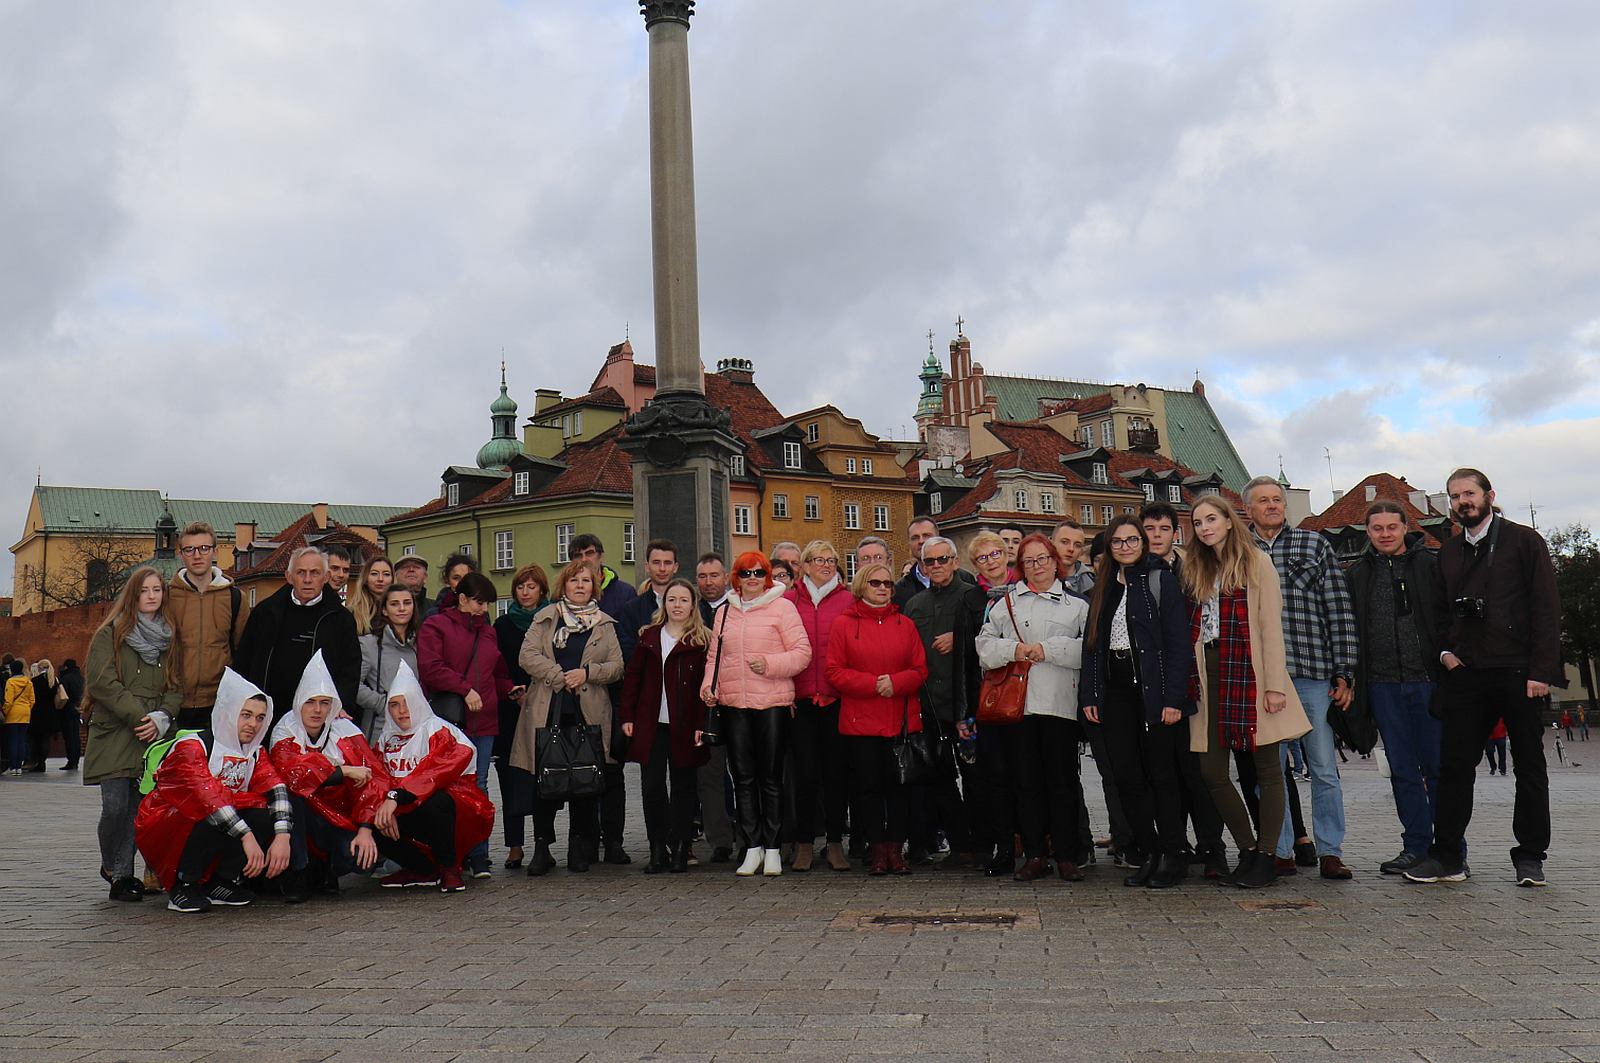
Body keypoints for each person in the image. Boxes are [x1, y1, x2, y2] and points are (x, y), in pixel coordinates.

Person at [1405, 469, 1561, 887]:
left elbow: (1546, 608)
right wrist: (1444, 653)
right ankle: (1448, 856)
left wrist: (1541, 671)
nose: (1463, 502)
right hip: (1467, 672)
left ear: (1489, 495)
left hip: (1518, 670)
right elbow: (1436, 613)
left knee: (1530, 766)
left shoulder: (1525, 541)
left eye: (1469, 493)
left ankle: (1530, 857)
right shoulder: (1449, 552)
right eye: (1455, 496)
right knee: (1454, 766)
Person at [1183, 495, 1311, 890]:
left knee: (1269, 770)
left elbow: (1272, 628)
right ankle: (1249, 848)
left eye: (1210, 519)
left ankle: (1268, 855)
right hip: (1209, 673)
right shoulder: (1195, 567)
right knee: (1212, 772)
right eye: (1198, 522)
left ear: (1227, 520)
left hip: (1251, 675)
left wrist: (1275, 685)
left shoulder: (1257, 562)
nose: (1204, 528)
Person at [1244, 475, 1358, 881]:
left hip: (1311, 672)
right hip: (1263, 677)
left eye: (1277, 499)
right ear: (1249, 510)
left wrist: (1344, 671)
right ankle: (1279, 849)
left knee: (1324, 767)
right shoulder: (1239, 551)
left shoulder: (1314, 544)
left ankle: (1330, 851)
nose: (1273, 506)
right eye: (1264, 501)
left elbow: (1339, 609)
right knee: (1270, 771)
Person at [1079, 517, 1196, 889]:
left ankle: (1173, 855)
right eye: (1118, 541)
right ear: (1109, 547)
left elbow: (1179, 644)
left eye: (1133, 540)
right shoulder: (1104, 587)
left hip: (1154, 690)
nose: (1126, 547)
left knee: (1161, 777)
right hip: (1115, 692)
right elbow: (1092, 647)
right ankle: (1150, 851)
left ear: (1144, 544)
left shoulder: (1160, 580)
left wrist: (1174, 697)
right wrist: (1090, 694)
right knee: (1126, 776)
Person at [1346, 501, 1452, 876]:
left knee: (1439, 768)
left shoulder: (1431, 566)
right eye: (1378, 528)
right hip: (1383, 684)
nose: (1386, 534)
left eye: (1393, 526)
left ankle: (1450, 849)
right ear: (1368, 533)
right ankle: (1415, 846)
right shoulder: (1358, 574)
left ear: (1406, 527)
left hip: (1428, 681)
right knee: (1403, 770)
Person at [976, 535, 1090, 882]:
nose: (1038, 566)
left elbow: (1088, 651)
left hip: (1059, 706)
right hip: (1019, 709)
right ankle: (1036, 854)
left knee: (1063, 782)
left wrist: (1048, 649)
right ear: (1020, 567)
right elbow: (983, 647)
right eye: (1030, 561)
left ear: (1056, 562)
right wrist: (1015, 651)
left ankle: (1067, 855)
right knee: (1026, 784)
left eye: (1043, 559)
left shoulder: (1077, 607)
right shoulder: (1006, 604)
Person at [134, 669, 293, 913]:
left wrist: (283, 836)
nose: (253, 724)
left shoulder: (253, 752)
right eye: (246, 715)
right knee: (205, 814)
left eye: (260, 718)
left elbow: (276, 787)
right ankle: (184, 884)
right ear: (228, 713)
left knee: (261, 813)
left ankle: (222, 882)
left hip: (214, 817)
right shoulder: (192, 746)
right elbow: (205, 797)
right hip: (168, 823)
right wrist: (247, 836)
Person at [700, 551, 811, 878]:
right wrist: (708, 686)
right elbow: (714, 656)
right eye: (746, 573)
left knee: (771, 778)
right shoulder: (724, 612)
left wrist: (771, 665)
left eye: (758, 573)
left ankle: (774, 847)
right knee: (743, 778)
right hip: (735, 704)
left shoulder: (783, 607)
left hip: (773, 703)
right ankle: (752, 847)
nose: (752, 579)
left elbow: (802, 652)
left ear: (767, 577)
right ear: (736, 577)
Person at [510, 560, 625, 874]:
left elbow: (617, 666)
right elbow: (527, 656)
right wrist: (561, 676)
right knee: (545, 781)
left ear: (593, 586)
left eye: (586, 581)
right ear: (564, 585)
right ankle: (542, 847)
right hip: (548, 708)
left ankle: (579, 846)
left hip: (588, 712)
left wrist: (587, 673)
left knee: (585, 781)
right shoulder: (546, 618)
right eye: (574, 580)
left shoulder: (604, 623)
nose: (579, 585)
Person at [83, 566, 182, 901]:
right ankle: (110, 863)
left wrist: (163, 716)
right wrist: (140, 716)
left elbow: (175, 685)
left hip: (152, 735)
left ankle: (122, 878)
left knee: (137, 810)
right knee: (113, 806)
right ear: (133, 594)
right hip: (116, 732)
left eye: (157, 590)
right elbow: (101, 682)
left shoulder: (169, 637)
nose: (152, 596)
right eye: (145, 590)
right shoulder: (110, 633)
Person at [825, 562, 929, 876]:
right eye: (875, 583)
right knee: (868, 789)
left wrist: (896, 683)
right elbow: (833, 671)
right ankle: (877, 851)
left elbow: (920, 670)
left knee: (898, 788)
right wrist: (872, 684)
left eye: (887, 583)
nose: (882, 588)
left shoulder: (904, 624)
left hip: (898, 718)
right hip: (861, 720)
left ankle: (896, 851)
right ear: (861, 587)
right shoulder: (844, 624)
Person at [1142, 502, 1228, 878]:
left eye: (1163, 528)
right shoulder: (1135, 574)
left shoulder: (1190, 569)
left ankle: (1213, 847)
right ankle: (1175, 846)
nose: (1156, 536)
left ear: (1174, 533)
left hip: (1191, 684)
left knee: (1196, 772)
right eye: (1150, 529)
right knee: (1164, 774)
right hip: (1151, 690)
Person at [417, 572, 517, 879]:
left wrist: (509, 689)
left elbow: (495, 672)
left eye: (487, 603)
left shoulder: (488, 632)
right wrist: (465, 689)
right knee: (446, 788)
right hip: (449, 720)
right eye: (479, 601)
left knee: (480, 786)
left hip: (483, 721)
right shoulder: (436, 626)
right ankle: (448, 856)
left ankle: (480, 856)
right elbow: (431, 668)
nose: (484, 609)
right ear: (462, 599)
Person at [268, 651, 389, 898]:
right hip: (301, 817)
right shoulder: (284, 729)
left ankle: (327, 869)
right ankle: (297, 872)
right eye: (310, 702)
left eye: (325, 703)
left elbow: (374, 777)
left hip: (338, 817)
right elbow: (292, 775)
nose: (317, 710)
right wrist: (342, 771)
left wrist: (365, 828)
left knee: (363, 860)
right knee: (293, 795)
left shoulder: (344, 729)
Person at [372, 662, 496, 892]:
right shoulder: (386, 738)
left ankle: (449, 868)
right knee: (371, 816)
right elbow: (377, 777)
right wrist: (383, 803)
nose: (402, 711)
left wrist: (394, 797)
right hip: (404, 807)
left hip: (453, 812)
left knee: (436, 802)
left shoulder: (441, 731)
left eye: (407, 703)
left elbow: (437, 772)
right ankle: (422, 869)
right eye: (394, 705)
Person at [903, 535, 986, 869]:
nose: (936, 566)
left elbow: (989, 639)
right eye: (929, 561)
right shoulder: (915, 605)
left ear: (955, 561)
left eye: (942, 559)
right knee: (941, 781)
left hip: (966, 704)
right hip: (929, 705)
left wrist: (961, 637)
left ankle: (983, 845)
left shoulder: (972, 597)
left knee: (976, 779)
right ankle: (960, 845)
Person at [618, 579, 710, 873]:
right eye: (672, 600)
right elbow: (633, 679)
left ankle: (681, 846)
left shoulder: (702, 640)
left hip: (685, 726)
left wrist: (701, 724)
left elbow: (705, 688)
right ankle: (657, 847)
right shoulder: (649, 636)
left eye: (684, 600)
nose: (677, 605)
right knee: (652, 787)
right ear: (663, 604)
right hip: (651, 723)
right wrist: (627, 716)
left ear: (693, 605)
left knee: (684, 788)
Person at [784, 540, 854, 872]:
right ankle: (804, 843)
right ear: (805, 565)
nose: (826, 565)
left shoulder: (848, 600)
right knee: (804, 775)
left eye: (832, 560)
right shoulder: (788, 600)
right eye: (819, 559)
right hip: (800, 701)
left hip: (837, 698)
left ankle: (836, 842)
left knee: (836, 774)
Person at [234, 546, 360, 724]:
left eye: (315, 573)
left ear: (325, 577)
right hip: (268, 712)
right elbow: (244, 660)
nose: (307, 579)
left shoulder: (341, 618)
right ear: (289, 577)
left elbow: (350, 669)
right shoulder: (265, 613)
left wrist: (343, 704)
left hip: (319, 715)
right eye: (301, 572)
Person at [572, 532, 636, 864]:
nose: (585, 558)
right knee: (581, 769)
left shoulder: (622, 593)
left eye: (590, 553)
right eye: (579, 554)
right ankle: (586, 839)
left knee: (612, 771)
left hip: (611, 693)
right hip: (576, 697)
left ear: (601, 555)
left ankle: (613, 840)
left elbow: (627, 645)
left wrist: (597, 668)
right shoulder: (564, 599)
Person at [168, 521, 252, 732]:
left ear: (215, 552)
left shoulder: (234, 598)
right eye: (190, 549)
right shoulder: (167, 597)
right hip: (174, 702)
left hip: (219, 702)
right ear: (181, 554)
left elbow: (244, 650)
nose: (197, 555)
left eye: (204, 548)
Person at [493, 563, 548, 870]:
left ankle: (543, 843)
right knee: (510, 778)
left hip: (542, 706)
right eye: (521, 587)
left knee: (542, 780)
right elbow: (496, 665)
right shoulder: (502, 624)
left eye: (531, 586)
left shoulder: (550, 620)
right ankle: (514, 845)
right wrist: (509, 689)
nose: (525, 592)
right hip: (510, 708)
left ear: (542, 590)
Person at [692, 552, 735, 863]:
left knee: (745, 773)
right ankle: (719, 839)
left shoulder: (739, 608)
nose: (709, 582)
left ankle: (749, 835)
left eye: (714, 576)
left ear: (727, 577)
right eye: (703, 577)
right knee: (709, 774)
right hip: (705, 704)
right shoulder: (689, 611)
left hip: (740, 700)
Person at [357, 586, 423, 742]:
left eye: (407, 603)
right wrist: (383, 704)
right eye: (394, 604)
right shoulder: (369, 644)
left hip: (416, 729)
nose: (402, 608)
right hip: (380, 730)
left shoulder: (422, 643)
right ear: (385, 610)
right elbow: (353, 685)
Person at [893, 518, 941, 608]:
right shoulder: (899, 590)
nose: (921, 541)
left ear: (938, 539)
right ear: (909, 543)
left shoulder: (962, 578)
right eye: (915, 538)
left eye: (926, 535)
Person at [25, 659, 60, 771]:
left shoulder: (34, 681)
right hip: (50, 713)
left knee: (35, 739)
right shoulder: (53, 681)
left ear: (39, 668)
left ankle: (35, 762)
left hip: (37, 713)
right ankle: (42, 763)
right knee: (45, 739)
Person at [347, 556, 394, 637]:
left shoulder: (401, 611)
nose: (380, 579)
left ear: (392, 579)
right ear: (365, 578)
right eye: (374, 574)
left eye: (386, 574)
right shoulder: (351, 614)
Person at [3, 658, 34, 775]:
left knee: (13, 741)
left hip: (13, 713)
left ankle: (13, 767)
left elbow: (9, 700)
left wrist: (5, 711)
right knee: (21, 741)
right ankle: (19, 767)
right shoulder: (28, 682)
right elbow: (32, 700)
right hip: (25, 713)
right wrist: (27, 708)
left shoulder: (10, 682)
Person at [1051, 519, 1095, 599]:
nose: (1071, 549)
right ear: (1052, 543)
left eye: (1077, 545)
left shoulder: (1092, 583)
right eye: (1064, 542)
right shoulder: (1039, 577)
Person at [56, 657, 84, 771]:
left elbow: (63, 695)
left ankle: (71, 761)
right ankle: (76, 760)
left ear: (66, 666)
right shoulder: (82, 678)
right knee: (76, 735)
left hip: (67, 709)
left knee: (68, 736)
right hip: (78, 708)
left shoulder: (65, 678)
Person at [969, 530, 1011, 597]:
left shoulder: (1025, 586)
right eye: (982, 558)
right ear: (976, 566)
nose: (990, 562)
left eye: (995, 554)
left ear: (1006, 556)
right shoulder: (970, 598)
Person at [393, 555, 436, 619]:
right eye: (405, 567)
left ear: (425, 577)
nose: (411, 569)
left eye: (417, 567)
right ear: (396, 577)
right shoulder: (385, 608)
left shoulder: (436, 609)